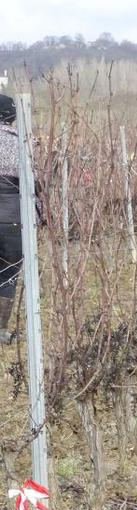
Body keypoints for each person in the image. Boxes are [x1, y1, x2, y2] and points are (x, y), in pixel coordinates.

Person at [0, 94, 20, 344]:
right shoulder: (19, 144)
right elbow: (38, 184)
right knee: (8, 275)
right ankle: (1, 331)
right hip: (13, 221)